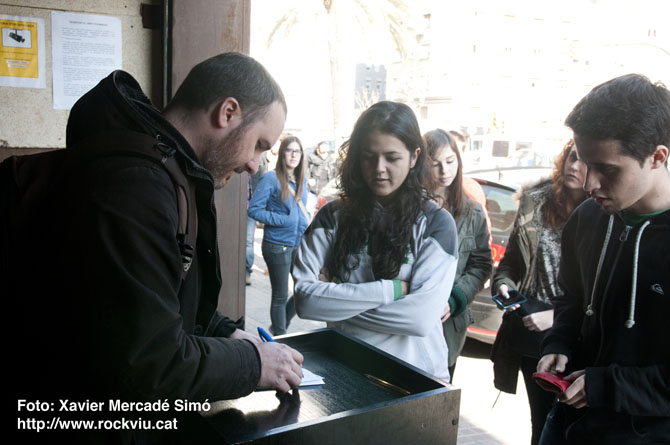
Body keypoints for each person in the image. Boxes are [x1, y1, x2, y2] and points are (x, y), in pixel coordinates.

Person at [11, 53, 304, 442]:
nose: (254, 164)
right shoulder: (136, 186)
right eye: (259, 144)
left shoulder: (165, 171)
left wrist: (221, 330)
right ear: (228, 112)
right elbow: (148, 364)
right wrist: (254, 363)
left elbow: (151, 296)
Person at [537, 74, 670, 444]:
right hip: (565, 422)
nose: (589, 183)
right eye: (584, 163)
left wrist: (606, 386)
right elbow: (571, 300)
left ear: (657, 157)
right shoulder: (587, 218)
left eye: (607, 170)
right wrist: (558, 344)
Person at [292, 101, 458, 382]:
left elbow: (419, 319)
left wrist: (336, 298)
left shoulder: (436, 223)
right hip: (346, 368)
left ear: (414, 157)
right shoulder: (331, 217)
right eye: (369, 157)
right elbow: (306, 301)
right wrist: (393, 289)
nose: (379, 169)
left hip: (416, 377)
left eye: (392, 158)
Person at [490, 139, 588, 445]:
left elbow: (604, 292)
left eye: (584, 160)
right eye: (572, 157)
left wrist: (554, 317)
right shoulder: (536, 203)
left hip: (579, 339)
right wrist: (504, 287)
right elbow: (509, 265)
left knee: (572, 426)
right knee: (541, 422)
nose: (575, 166)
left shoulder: (603, 211)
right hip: (532, 338)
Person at [424, 129, 492, 382]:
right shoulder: (409, 208)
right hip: (408, 321)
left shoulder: (473, 211)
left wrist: (455, 299)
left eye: (450, 161)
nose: (444, 170)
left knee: (440, 394)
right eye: (436, 163)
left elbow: (481, 265)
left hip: (448, 326)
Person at [248, 135, 310, 335]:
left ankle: (278, 327)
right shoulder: (271, 178)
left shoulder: (302, 180)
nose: (293, 155)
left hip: (297, 244)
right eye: (289, 150)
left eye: (297, 151)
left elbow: (301, 211)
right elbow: (254, 209)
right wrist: (282, 220)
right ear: (282, 153)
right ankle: (281, 337)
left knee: (303, 291)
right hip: (277, 245)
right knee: (280, 296)